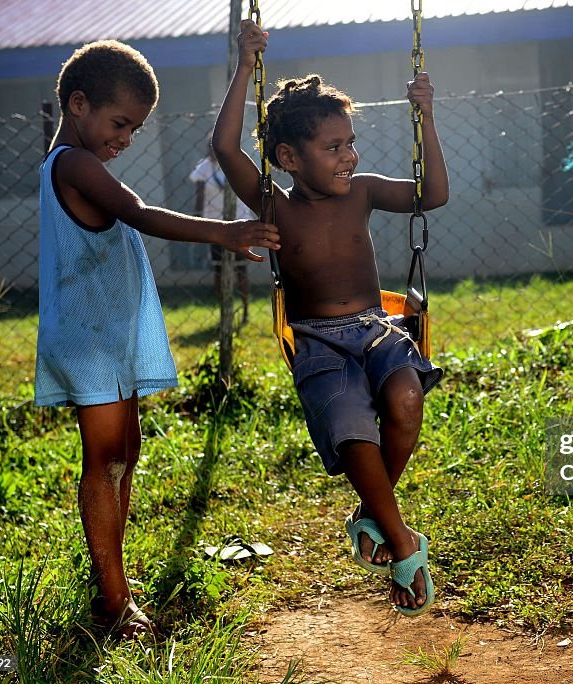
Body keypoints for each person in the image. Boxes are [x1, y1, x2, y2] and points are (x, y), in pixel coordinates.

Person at [34, 39, 279, 639]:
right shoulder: (72, 162)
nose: (126, 138)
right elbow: (139, 212)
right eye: (120, 123)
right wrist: (225, 233)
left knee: (126, 455)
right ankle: (113, 604)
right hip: (90, 340)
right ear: (79, 103)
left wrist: (246, 63)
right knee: (105, 461)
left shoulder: (77, 157)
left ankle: (112, 580)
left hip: (107, 334)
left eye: (136, 129)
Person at [213, 20, 449, 616]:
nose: (350, 156)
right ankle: (400, 540)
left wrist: (425, 114)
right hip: (318, 342)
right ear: (288, 157)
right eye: (334, 147)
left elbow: (433, 194)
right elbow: (224, 147)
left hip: (379, 330)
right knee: (353, 431)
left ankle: (374, 517)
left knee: (404, 403)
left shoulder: (363, 191)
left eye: (350, 143)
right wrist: (245, 65)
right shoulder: (273, 204)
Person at [189, 141, 252, 321]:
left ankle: (246, 310)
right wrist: (197, 222)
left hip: (239, 221)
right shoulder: (204, 168)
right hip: (215, 224)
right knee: (219, 270)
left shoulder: (235, 163)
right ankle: (225, 311)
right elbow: (199, 197)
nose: (212, 151)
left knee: (241, 270)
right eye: (209, 147)